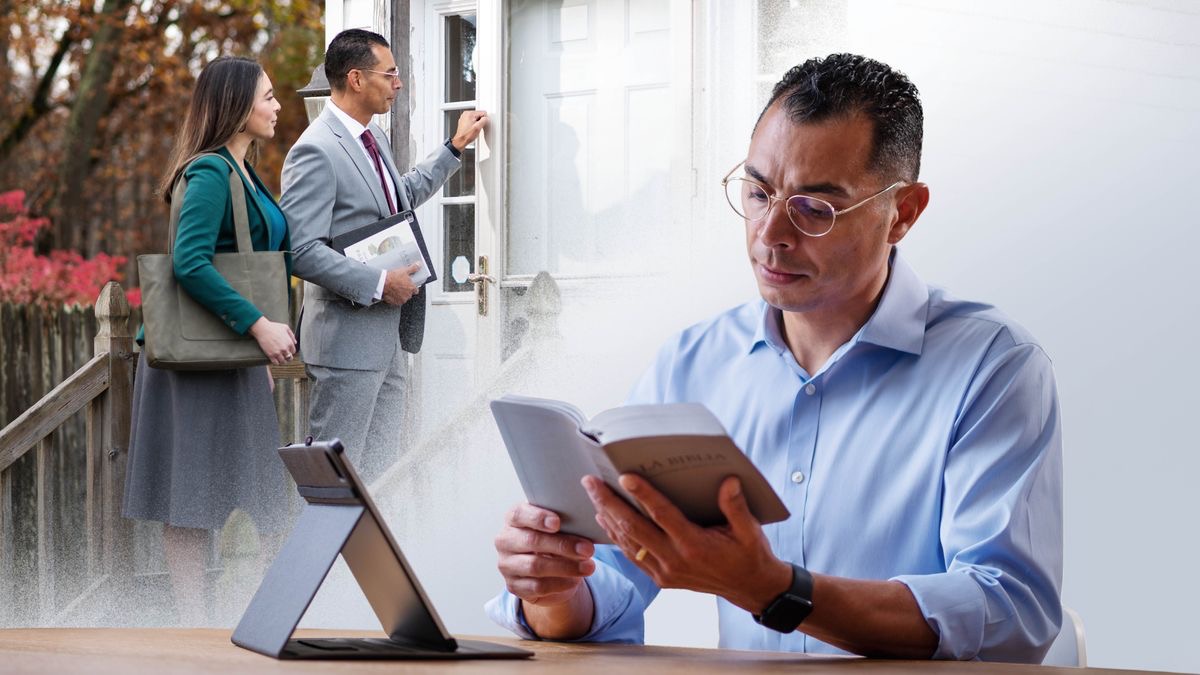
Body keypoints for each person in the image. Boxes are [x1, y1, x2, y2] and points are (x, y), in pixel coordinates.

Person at [487, 53, 1063, 663]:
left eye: (816, 208)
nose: (770, 234)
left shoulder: (993, 368)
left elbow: (1007, 612)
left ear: (904, 213)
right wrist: (552, 584)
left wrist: (777, 592)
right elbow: (608, 582)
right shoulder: (692, 362)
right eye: (759, 192)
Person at [123, 56, 297, 625]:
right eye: (268, 97)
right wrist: (259, 326)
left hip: (232, 354)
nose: (277, 107)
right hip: (192, 363)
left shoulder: (245, 172)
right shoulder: (207, 172)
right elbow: (189, 262)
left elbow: (248, 259)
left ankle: (266, 618)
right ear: (238, 106)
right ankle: (193, 630)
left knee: (266, 495)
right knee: (191, 497)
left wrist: (254, 347)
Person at [281, 29, 487, 481]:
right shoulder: (316, 150)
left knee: (382, 480)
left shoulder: (371, 139)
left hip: (388, 341)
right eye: (390, 73)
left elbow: (401, 196)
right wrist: (378, 284)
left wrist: (454, 149)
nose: (398, 83)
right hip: (346, 346)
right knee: (337, 480)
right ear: (356, 78)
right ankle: (328, 557)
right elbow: (299, 250)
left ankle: (374, 555)